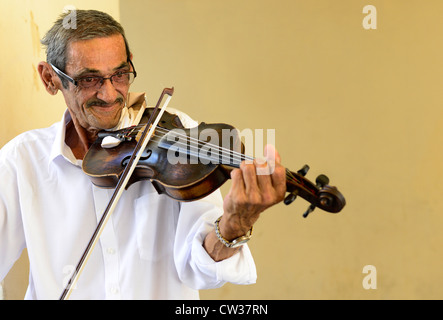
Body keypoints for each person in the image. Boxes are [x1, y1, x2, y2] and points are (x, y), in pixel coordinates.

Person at [0, 9, 286, 299]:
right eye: (89, 79)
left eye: (120, 75)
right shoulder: (20, 162)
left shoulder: (178, 134)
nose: (110, 94)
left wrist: (235, 223)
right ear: (50, 78)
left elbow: (201, 267)